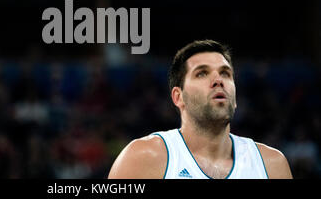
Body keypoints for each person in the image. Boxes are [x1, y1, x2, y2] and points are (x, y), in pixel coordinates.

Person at [108, 40, 293, 179]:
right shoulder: (143, 158)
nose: (218, 80)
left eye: (225, 73)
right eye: (202, 73)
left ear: (235, 100)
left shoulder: (272, 165)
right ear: (178, 97)